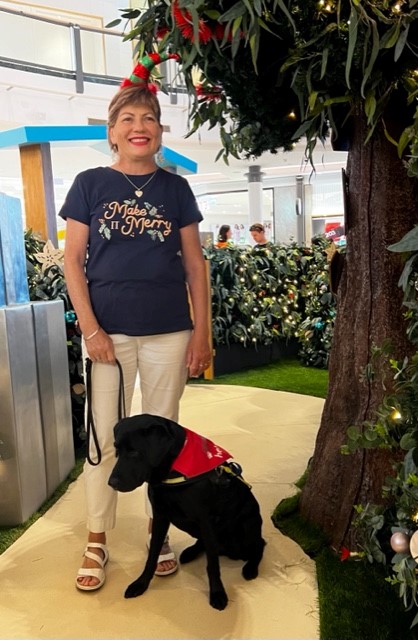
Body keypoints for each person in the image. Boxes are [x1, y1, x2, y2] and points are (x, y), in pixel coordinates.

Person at [59, 52, 212, 592]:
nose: (139, 126)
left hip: (170, 331)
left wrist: (202, 332)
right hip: (109, 337)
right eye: (128, 118)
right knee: (104, 436)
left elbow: (195, 265)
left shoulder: (175, 189)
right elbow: (72, 261)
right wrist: (92, 330)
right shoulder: (89, 183)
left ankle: (159, 528)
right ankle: (97, 536)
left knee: (161, 435)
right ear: (113, 133)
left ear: (159, 131)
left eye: (148, 117)